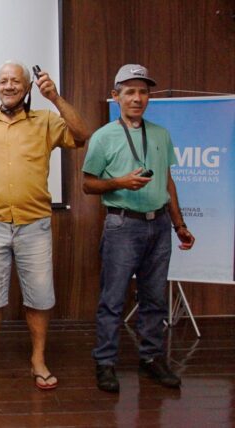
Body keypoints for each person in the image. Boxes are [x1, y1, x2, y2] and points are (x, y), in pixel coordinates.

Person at [0, 60, 91, 390]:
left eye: (17, 81)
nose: (9, 85)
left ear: (28, 87)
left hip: (35, 226)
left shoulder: (45, 121)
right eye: (3, 81)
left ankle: (38, 360)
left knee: (40, 298)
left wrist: (56, 98)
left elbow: (82, 135)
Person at [82, 64, 195, 393]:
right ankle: (105, 363)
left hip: (159, 225)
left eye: (143, 91)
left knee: (154, 298)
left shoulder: (161, 134)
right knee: (113, 300)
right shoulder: (104, 136)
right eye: (129, 91)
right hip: (122, 225)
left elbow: (168, 181)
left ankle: (151, 358)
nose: (137, 98)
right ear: (116, 96)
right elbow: (88, 185)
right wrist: (120, 182)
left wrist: (179, 223)